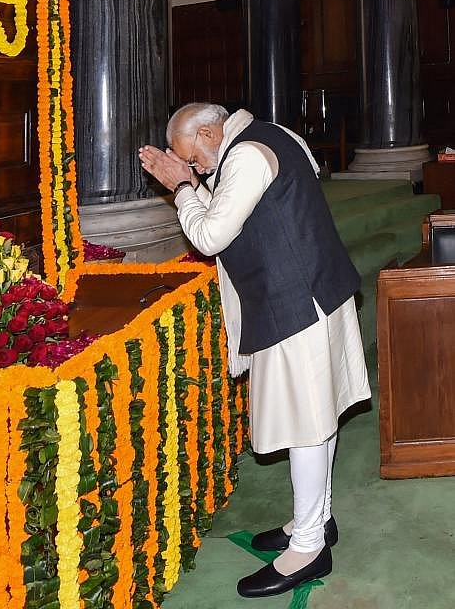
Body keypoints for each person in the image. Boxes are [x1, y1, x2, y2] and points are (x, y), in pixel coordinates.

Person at [140, 102, 370, 600]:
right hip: (315, 294)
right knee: (317, 418)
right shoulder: (269, 134)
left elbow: (209, 235)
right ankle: (316, 520)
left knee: (306, 426)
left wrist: (182, 188)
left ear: (208, 131)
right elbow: (243, 210)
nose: (197, 168)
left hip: (296, 306)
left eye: (194, 158)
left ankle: (308, 547)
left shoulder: (243, 158)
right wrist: (192, 183)